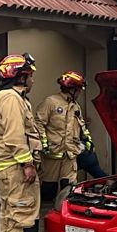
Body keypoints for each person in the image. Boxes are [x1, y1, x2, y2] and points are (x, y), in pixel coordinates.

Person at [0, 52, 42, 232]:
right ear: (21, 77)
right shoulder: (11, 99)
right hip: (15, 170)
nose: (32, 80)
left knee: (10, 215)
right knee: (23, 216)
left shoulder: (10, 97)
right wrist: (27, 163)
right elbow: (14, 136)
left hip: (7, 169)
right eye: (30, 75)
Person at [36, 71, 88, 204]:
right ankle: (46, 211)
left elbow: (81, 124)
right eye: (78, 90)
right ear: (72, 89)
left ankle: (66, 210)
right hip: (52, 154)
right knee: (48, 188)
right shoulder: (51, 102)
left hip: (70, 153)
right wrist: (43, 144)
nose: (79, 93)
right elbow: (39, 123)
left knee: (69, 186)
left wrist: (87, 140)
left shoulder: (75, 106)